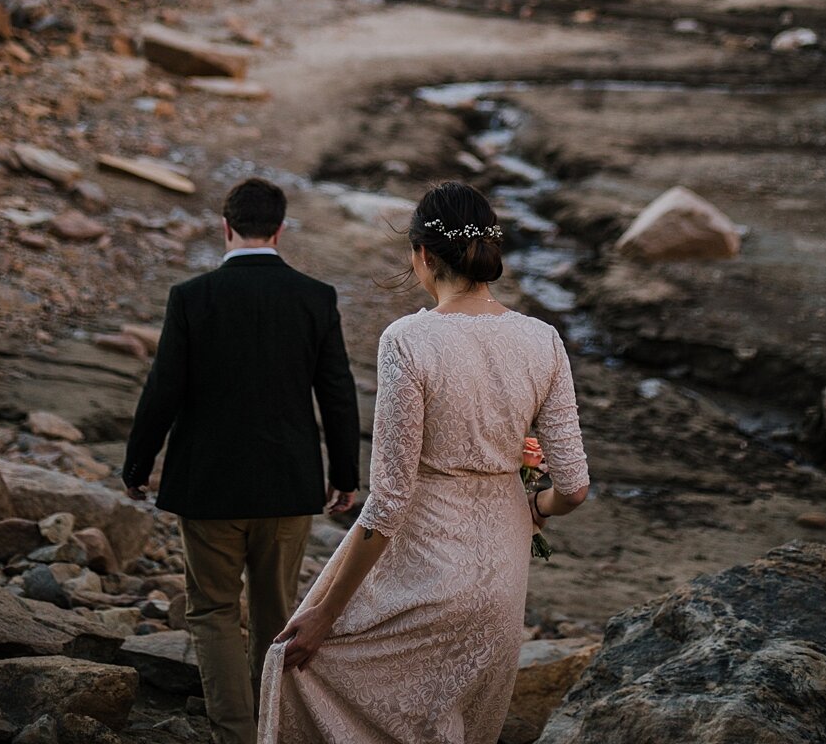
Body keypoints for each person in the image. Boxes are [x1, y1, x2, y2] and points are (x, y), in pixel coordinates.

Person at [257, 180, 590, 744]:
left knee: (300, 668)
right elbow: (576, 487)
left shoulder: (408, 341)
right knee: (456, 723)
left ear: (424, 255)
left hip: (426, 564)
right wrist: (536, 503)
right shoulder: (544, 340)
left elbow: (387, 503)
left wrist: (324, 616)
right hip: (503, 575)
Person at [122, 177, 361, 744]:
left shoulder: (191, 297)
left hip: (207, 488)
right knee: (277, 611)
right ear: (279, 230)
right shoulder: (315, 297)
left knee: (212, 612)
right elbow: (337, 393)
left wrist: (138, 465)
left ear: (225, 227)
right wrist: (345, 476)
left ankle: (233, 732)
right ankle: (274, 725)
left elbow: (163, 391)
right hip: (287, 486)